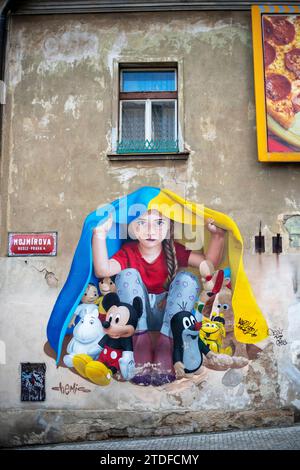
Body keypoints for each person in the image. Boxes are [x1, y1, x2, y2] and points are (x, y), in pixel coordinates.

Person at [92, 209, 226, 385]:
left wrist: (217, 236)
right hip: (138, 319)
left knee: (188, 279)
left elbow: (208, 264)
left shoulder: (173, 249)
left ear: (169, 227)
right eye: (141, 223)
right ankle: (141, 343)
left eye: (159, 223)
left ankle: (166, 344)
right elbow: (103, 270)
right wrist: (99, 235)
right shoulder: (128, 252)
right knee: (126, 275)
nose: (150, 230)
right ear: (131, 228)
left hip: (169, 318)